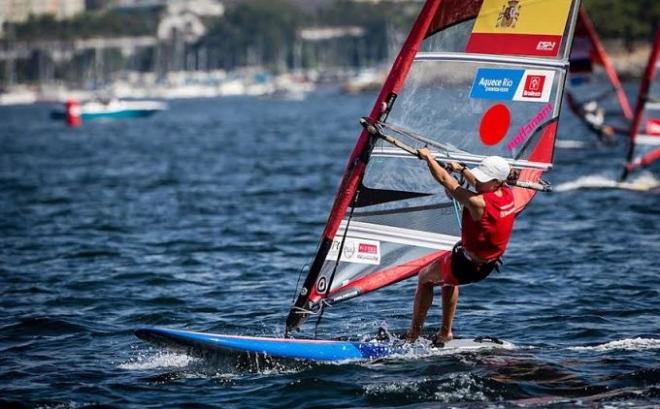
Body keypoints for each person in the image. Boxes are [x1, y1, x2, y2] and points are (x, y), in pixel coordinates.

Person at [407, 150, 516, 345]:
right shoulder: (508, 195)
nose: (479, 182)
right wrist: (463, 169)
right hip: (487, 266)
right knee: (449, 281)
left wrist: (428, 158)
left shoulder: (478, 203)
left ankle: (413, 335)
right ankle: (445, 333)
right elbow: (478, 184)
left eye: (485, 180)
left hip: (465, 265)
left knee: (424, 277)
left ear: (497, 182)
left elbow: (445, 180)